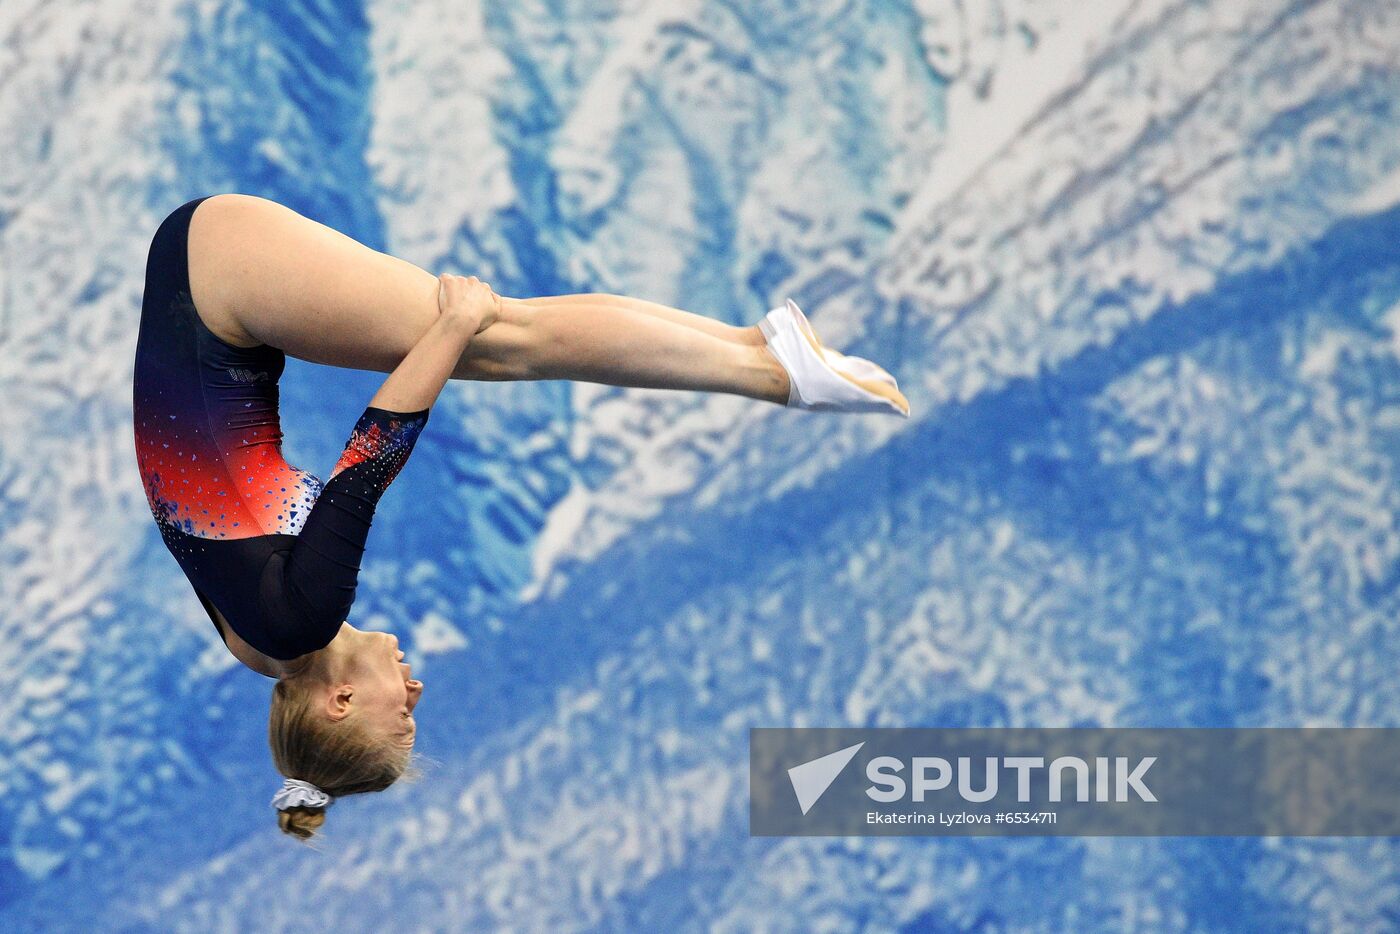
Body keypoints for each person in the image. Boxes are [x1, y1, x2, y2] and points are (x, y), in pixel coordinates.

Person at [131, 193, 908, 840]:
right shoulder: (264, 650)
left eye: (401, 714)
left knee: (499, 341)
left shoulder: (301, 624)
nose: (417, 690)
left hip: (216, 287)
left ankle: (772, 374)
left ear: (339, 703)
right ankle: (757, 349)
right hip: (210, 299)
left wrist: (451, 325)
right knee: (513, 336)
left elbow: (368, 462)